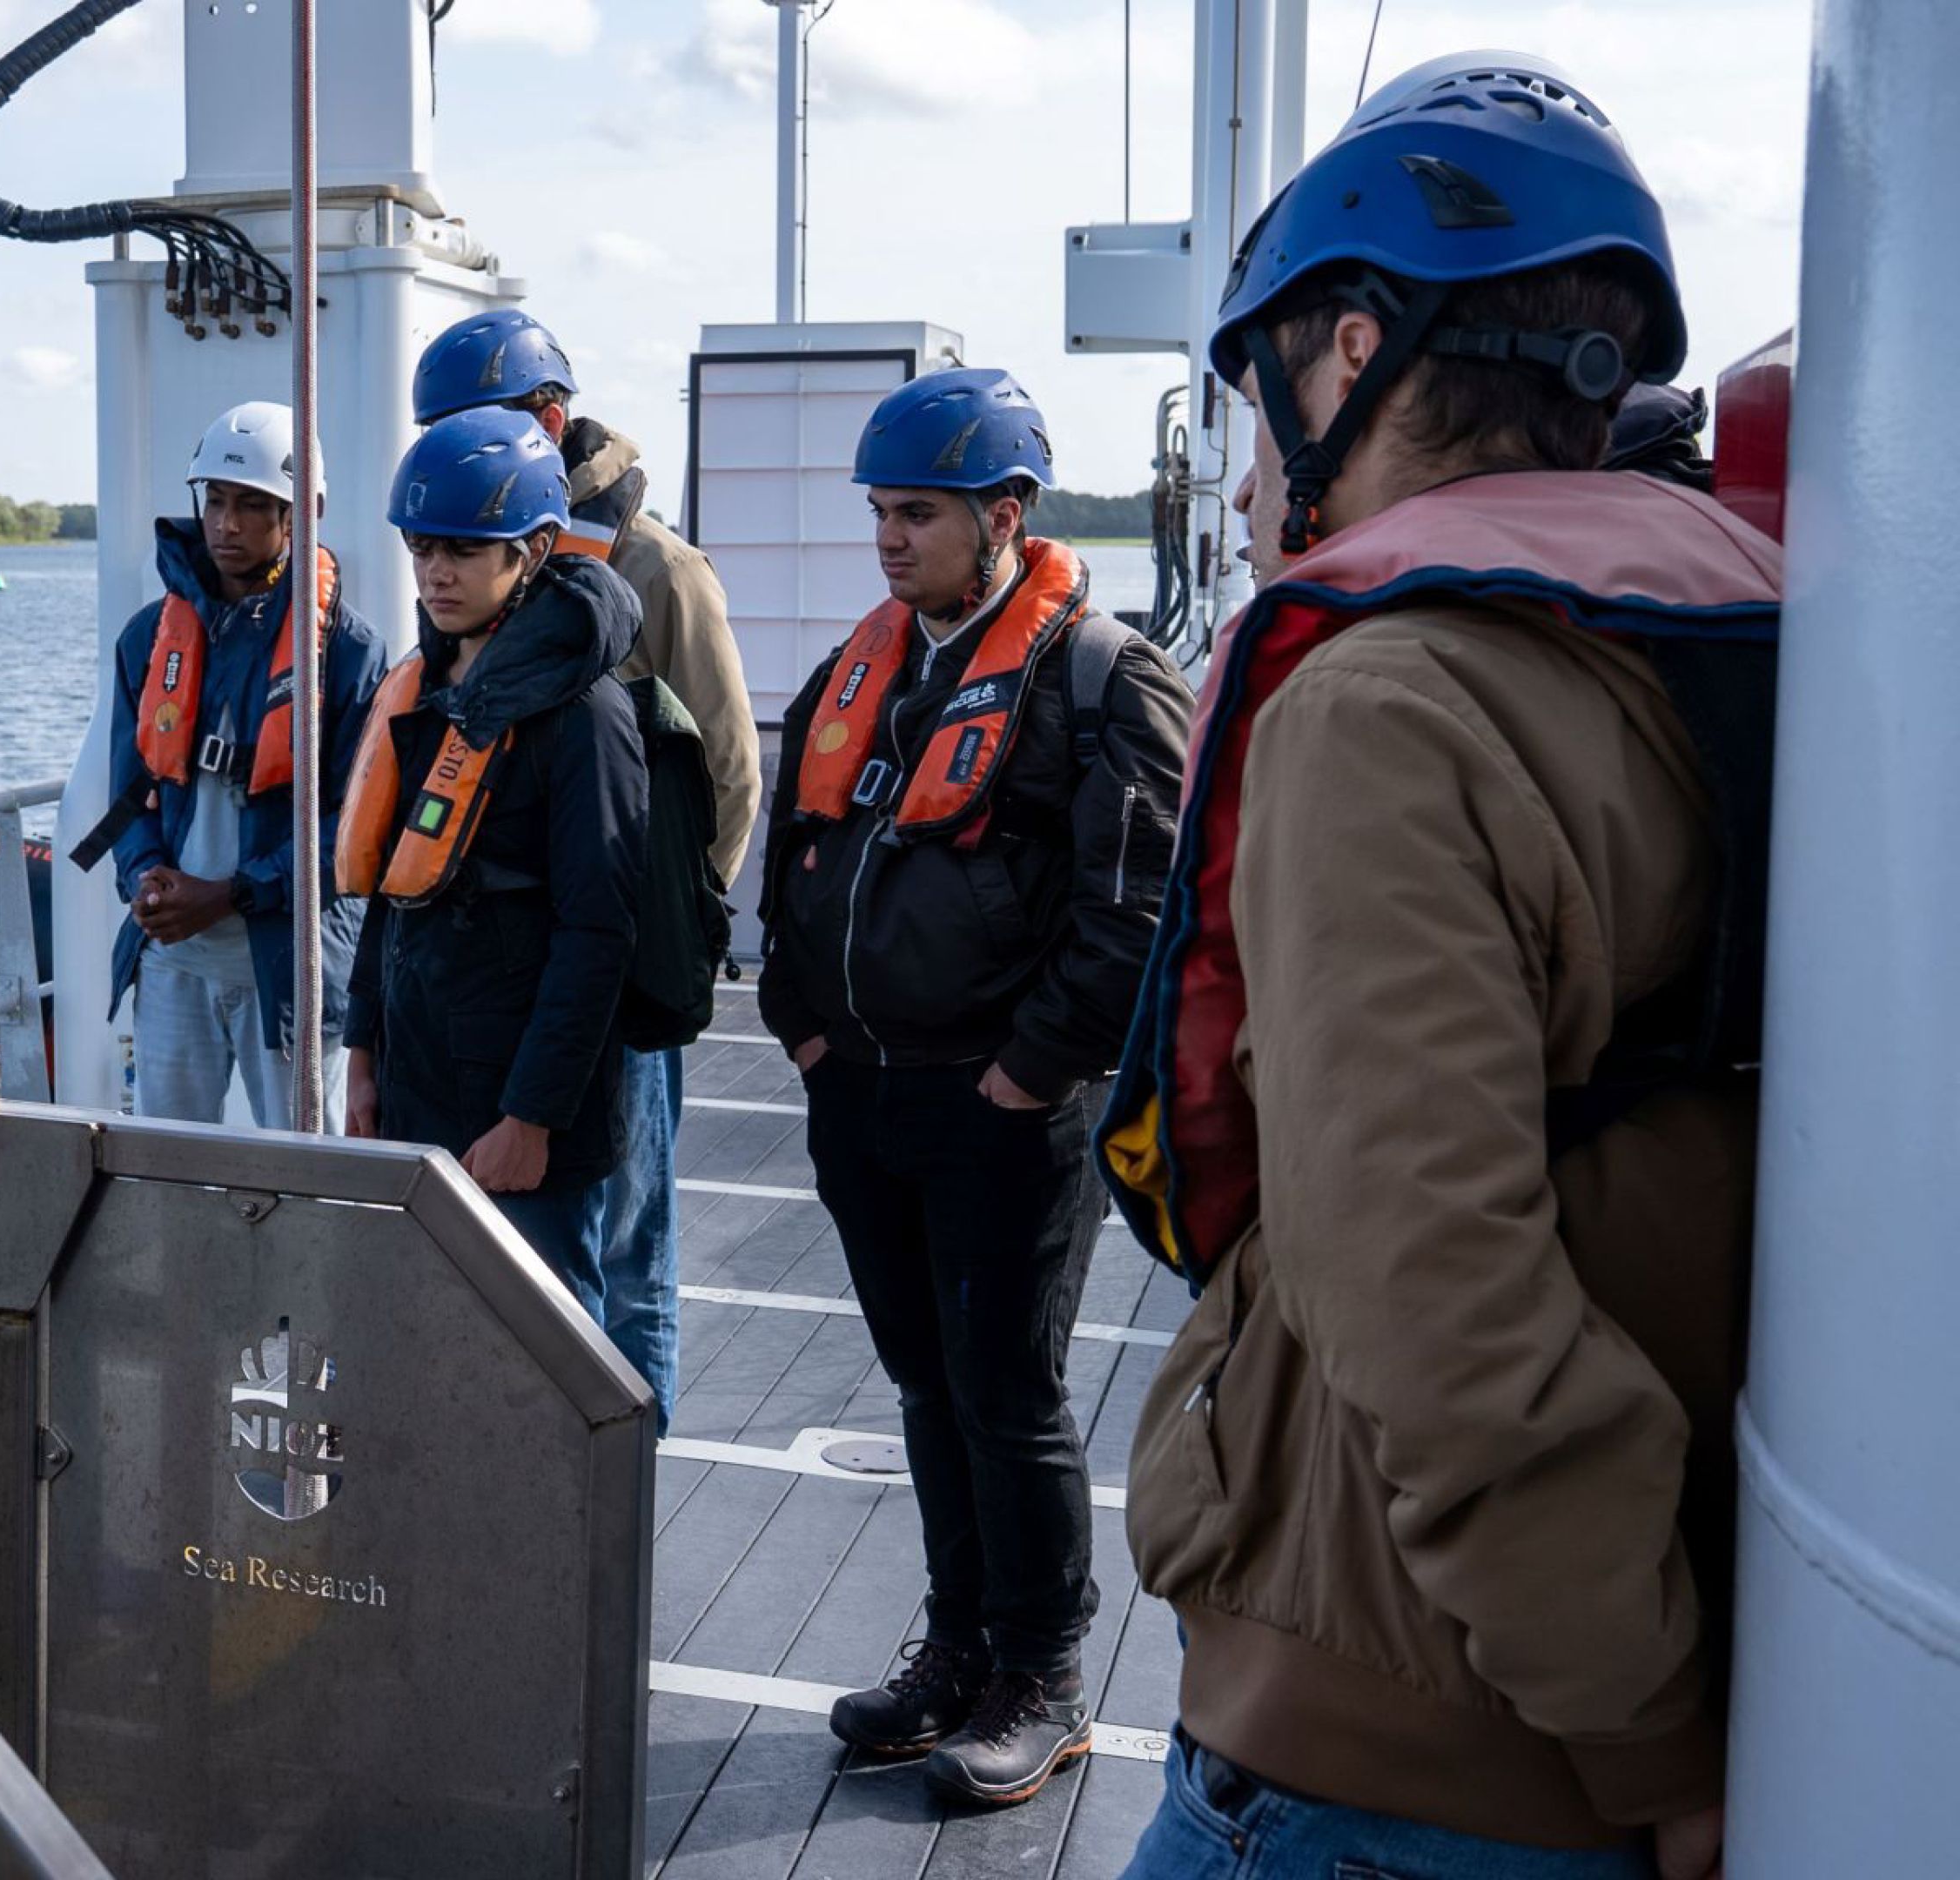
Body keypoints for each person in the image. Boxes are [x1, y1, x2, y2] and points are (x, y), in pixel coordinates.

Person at [1097, 52, 1781, 1880]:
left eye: (1254, 404)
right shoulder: (1731, 645)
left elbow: (1436, 1303)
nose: (1248, 487)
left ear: (1345, 354)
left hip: (1387, 1766)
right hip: (1645, 1680)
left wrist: (1660, 1744)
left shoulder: (1390, 705)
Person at [757, 366, 1192, 1805]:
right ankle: (956, 1648)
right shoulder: (857, 673)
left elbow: (1135, 909)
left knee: (1007, 1390)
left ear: (1006, 514)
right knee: (925, 1384)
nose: (891, 541)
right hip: (864, 1101)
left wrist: (1028, 1073)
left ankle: (1044, 1678)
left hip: (1003, 1110)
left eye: (921, 515)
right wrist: (804, 1028)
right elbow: (796, 860)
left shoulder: (1102, 679)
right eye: (883, 513)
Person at [412, 307, 761, 1432]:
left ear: (550, 423)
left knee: (628, 1243)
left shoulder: (658, 570)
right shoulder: (468, 586)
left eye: (486, 426)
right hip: (496, 993)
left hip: (612, 978)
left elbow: (728, 770)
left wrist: (662, 958)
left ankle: (623, 1496)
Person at [339, 407, 646, 1304]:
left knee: (544, 1369)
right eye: (423, 547)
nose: (436, 571)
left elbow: (599, 933)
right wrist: (364, 1055)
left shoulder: (584, 716)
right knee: (420, 1342)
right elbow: (398, 887)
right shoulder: (431, 685)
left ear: (536, 550)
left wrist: (533, 1118)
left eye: (465, 551)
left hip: (517, 1119)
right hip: (418, 1086)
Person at [96, 400, 385, 1125]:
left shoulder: (347, 654)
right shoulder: (146, 639)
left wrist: (230, 894)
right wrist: (144, 878)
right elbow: (129, 793)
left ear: (302, 511)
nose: (226, 524)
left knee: (301, 1180)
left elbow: (351, 832)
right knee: (167, 1170)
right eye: (216, 500)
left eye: (253, 506)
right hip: (172, 967)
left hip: (289, 973)